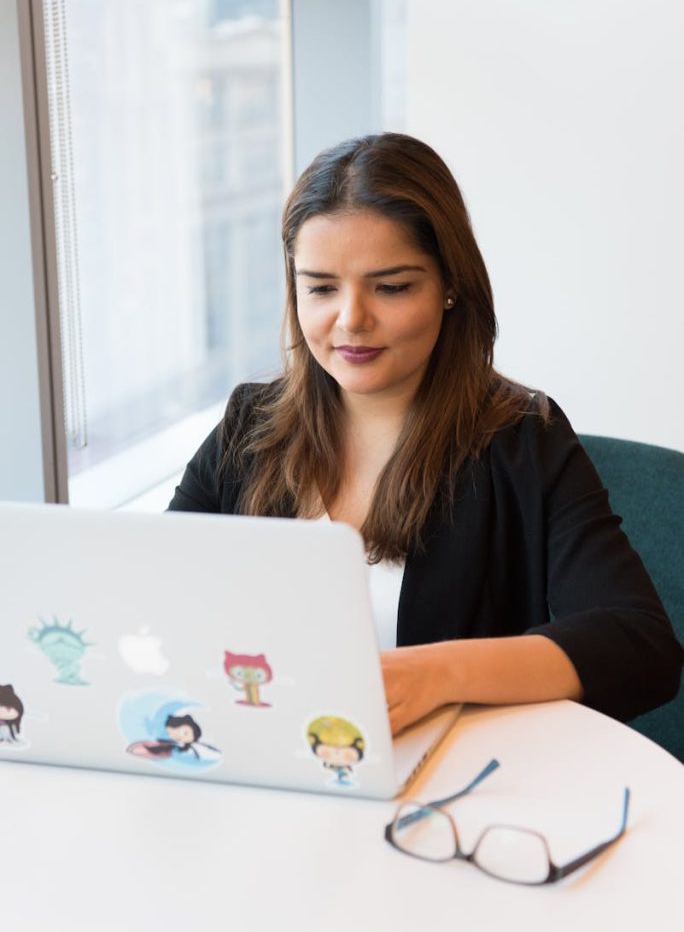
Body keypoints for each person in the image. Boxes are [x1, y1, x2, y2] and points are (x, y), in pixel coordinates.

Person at [168, 132, 682, 735]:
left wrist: (435, 675)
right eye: (321, 288)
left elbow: (638, 643)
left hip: (456, 773)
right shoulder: (248, 428)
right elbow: (155, 598)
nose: (351, 319)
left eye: (391, 287)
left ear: (450, 286)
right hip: (267, 755)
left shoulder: (521, 440)